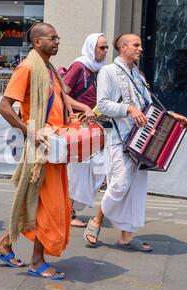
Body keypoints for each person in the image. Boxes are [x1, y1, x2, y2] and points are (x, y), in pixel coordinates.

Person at [83, 33, 187, 251]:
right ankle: (96, 220)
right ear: (122, 47)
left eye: (140, 45)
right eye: (136, 45)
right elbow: (102, 105)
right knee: (119, 185)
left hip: (144, 139)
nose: (141, 49)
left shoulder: (138, 75)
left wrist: (170, 115)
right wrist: (128, 109)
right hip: (120, 139)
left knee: (138, 189)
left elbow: (148, 106)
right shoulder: (108, 71)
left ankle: (126, 236)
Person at [0, 23, 75, 280]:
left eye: (58, 37)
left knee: (38, 202)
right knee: (48, 205)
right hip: (40, 148)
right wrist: (29, 131)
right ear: (37, 42)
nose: (57, 41)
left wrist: (75, 106)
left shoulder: (49, 69)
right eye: (53, 38)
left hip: (54, 147)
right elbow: (4, 107)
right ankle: (37, 262)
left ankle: (5, 244)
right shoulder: (28, 67)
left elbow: (58, 99)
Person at [63, 33, 108, 228]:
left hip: (93, 127)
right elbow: (62, 94)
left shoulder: (100, 70)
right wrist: (84, 108)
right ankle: (68, 211)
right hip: (78, 127)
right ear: (91, 48)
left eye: (106, 47)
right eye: (102, 48)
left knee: (100, 169)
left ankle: (71, 207)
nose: (105, 51)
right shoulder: (78, 67)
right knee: (77, 171)